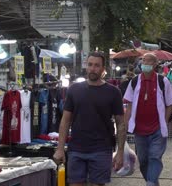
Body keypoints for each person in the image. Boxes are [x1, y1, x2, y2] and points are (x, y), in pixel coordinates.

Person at [53, 52, 126, 186]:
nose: (92, 69)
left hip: (102, 149)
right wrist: (60, 148)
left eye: (97, 65)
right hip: (76, 148)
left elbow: (121, 123)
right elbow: (65, 120)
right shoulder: (74, 89)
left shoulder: (113, 92)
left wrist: (120, 152)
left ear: (104, 69)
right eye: (90, 65)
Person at [123, 53, 172, 186]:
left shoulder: (162, 81)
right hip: (139, 130)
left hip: (157, 129)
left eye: (147, 61)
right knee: (143, 160)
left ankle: (150, 183)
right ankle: (152, 182)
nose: (144, 64)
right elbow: (129, 105)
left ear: (154, 64)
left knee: (154, 157)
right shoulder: (134, 81)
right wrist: (125, 126)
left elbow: (170, 105)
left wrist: (163, 122)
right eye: (143, 61)